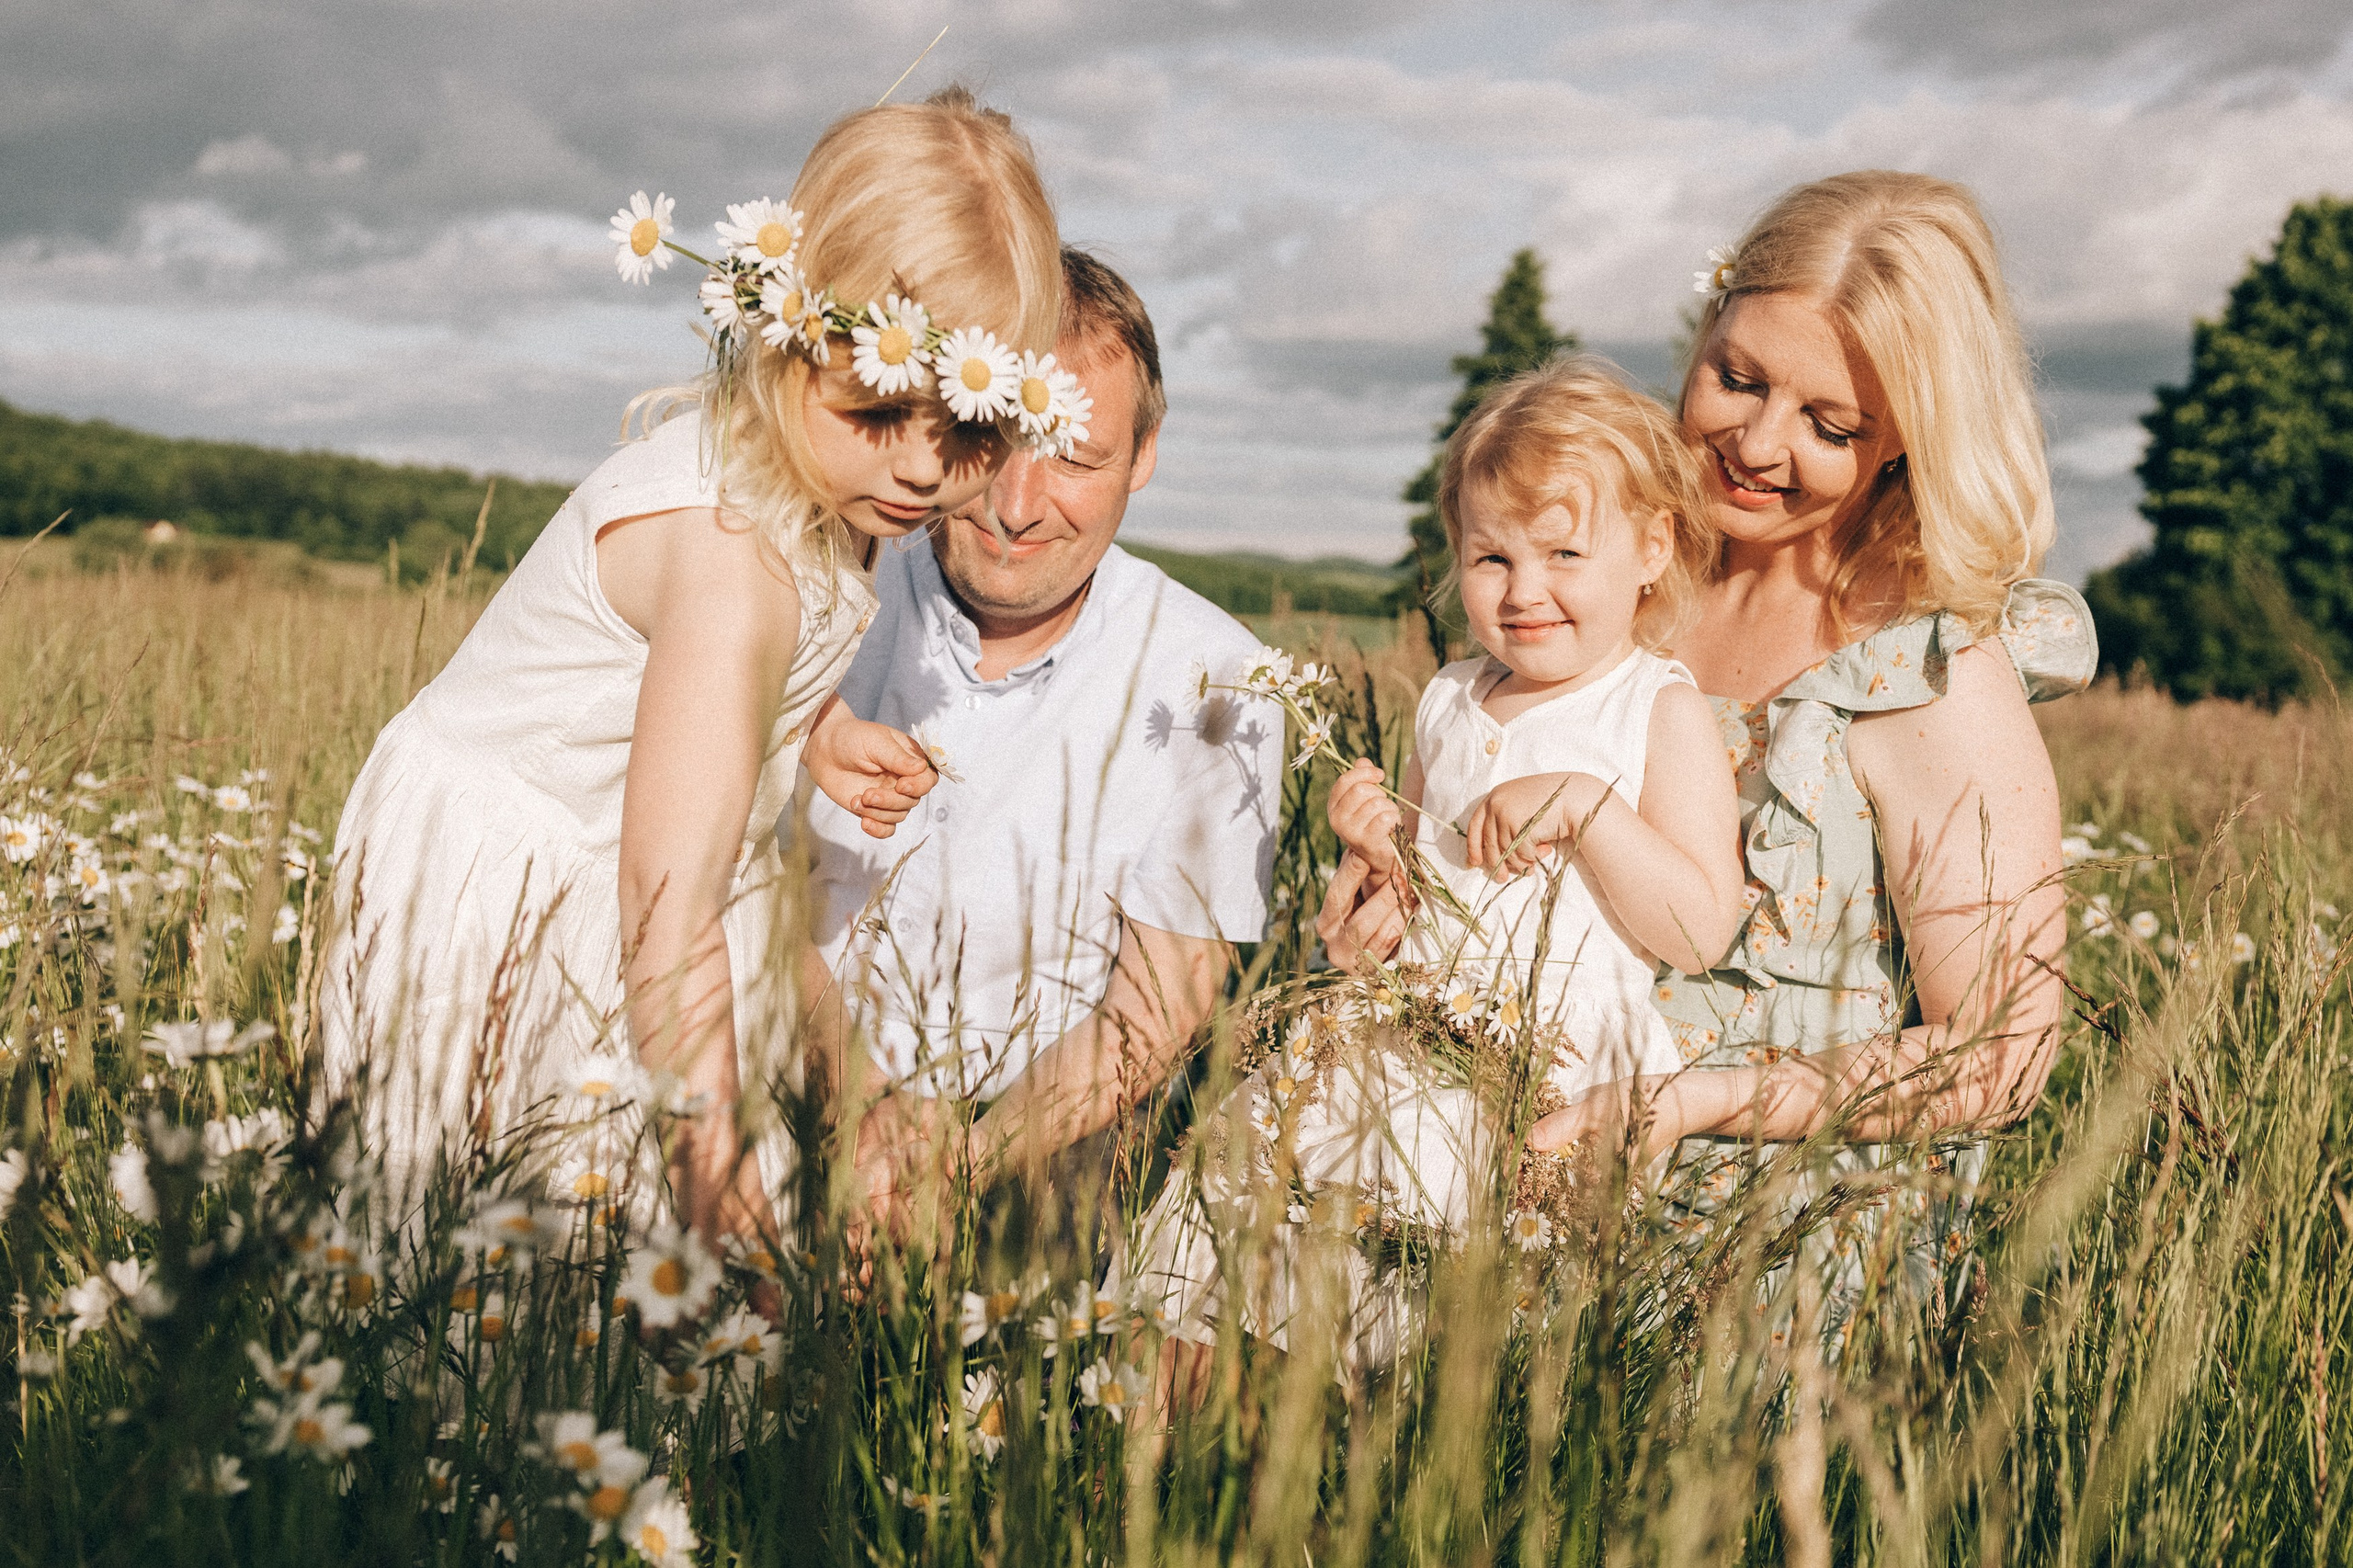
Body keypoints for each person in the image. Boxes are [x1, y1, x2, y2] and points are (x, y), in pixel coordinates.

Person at [1322, 171, 2097, 1329]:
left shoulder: (1928, 673)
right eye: (1735, 377)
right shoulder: (1610, 588)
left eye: (1830, 426)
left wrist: (1702, 1100)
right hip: (1496, 1159)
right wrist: (1382, 903)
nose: (1753, 443)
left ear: (1902, 443)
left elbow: (2002, 1056)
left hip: (1772, 1243)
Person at [320, 88, 1068, 1247]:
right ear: (783, 341)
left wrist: (809, 730)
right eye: (877, 409)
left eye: (969, 429)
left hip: (612, 866)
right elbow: (669, 911)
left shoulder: (827, 488)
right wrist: (715, 1182)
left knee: (596, 1246)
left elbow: (693, 689)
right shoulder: (730, 561)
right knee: (494, 1231)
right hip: (508, 875)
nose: (924, 471)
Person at [1117, 358, 1745, 1374]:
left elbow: (1700, 926)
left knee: (1418, 1340)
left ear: (1650, 548)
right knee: (1242, 1246)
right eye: (1491, 556)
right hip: (1397, 1035)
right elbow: (1417, 896)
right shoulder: (1451, 696)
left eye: (1562, 551)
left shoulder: (1657, 709)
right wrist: (1373, 851)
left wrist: (1586, 806)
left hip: (1546, 1072)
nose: (1523, 588)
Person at [801, 248, 1282, 1256]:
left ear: (1144, 455)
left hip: (1034, 1151)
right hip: (786, 1075)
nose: (1019, 505)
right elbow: (730, 884)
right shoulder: (823, 584)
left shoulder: (1221, 682)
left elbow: (1160, 1004)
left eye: (1073, 454)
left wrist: (956, 1163)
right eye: (996, 440)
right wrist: (856, 1108)